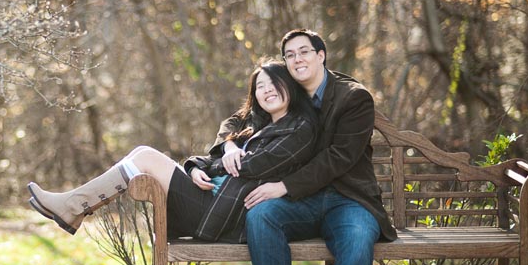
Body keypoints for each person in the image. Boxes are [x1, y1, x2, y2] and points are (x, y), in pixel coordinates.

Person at [221, 29, 397, 265]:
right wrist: (229, 143)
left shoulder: (353, 98)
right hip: (303, 202)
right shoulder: (287, 88)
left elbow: (339, 157)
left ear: (321, 55)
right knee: (261, 216)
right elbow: (238, 117)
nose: (297, 59)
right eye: (290, 54)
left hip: (348, 197)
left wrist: (283, 187)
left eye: (304, 52)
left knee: (359, 238)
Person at [27, 60, 319, 244]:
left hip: (225, 216)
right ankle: (73, 208)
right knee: (142, 153)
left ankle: (73, 207)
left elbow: (253, 166)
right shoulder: (259, 125)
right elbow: (223, 143)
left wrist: (219, 162)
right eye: (260, 87)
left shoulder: (298, 129)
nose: (266, 91)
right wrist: (196, 166)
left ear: (290, 87)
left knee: (145, 157)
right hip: (213, 200)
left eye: (274, 84)